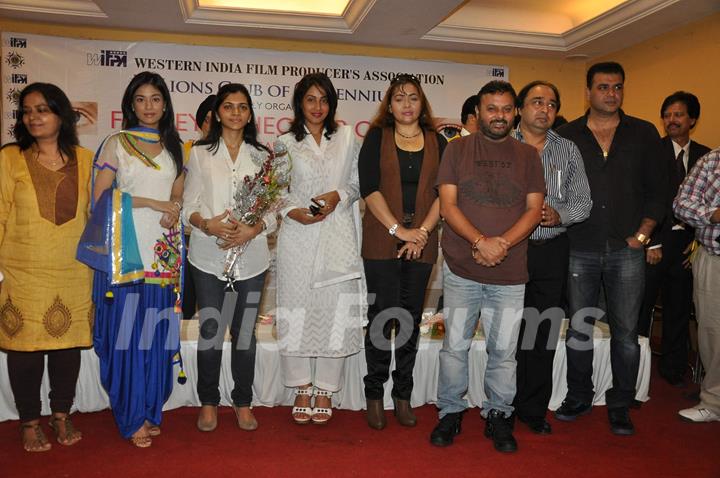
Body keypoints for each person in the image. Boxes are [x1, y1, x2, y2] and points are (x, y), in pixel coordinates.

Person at [430, 81, 544, 452]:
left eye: (506, 109)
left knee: (504, 351)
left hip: (510, 273)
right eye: (491, 108)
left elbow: (534, 210)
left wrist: (502, 245)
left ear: (515, 113)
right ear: (478, 112)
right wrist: (481, 242)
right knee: (454, 347)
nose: (499, 115)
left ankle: (499, 414)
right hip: (463, 267)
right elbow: (448, 206)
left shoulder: (529, 156)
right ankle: (450, 411)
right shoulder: (456, 150)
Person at [554, 62, 666, 435]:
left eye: (617, 87)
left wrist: (643, 236)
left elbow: (659, 191)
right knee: (580, 329)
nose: (611, 94)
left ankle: (621, 403)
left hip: (627, 249)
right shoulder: (565, 136)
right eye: (603, 87)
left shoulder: (645, 133)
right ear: (588, 92)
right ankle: (579, 396)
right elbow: (555, 191)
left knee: (625, 333)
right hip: (578, 247)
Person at [91, 71, 185, 447]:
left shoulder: (176, 146)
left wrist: (174, 208)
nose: (149, 107)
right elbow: (99, 202)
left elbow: (178, 192)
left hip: (163, 256)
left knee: (155, 336)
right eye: (141, 99)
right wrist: (150, 202)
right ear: (131, 104)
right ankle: (131, 417)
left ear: (165, 104)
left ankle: (148, 408)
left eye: (156, 99)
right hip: (126, 257)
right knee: (128, 339)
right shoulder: (117, 143)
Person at [0, 83, 93, 452]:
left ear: (61, 114)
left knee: (67, 346)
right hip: (23, 270)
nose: (34, 117)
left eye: (42, 109)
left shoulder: (86, 161)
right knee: (25, 348)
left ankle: (61, 413)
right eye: (27, 111)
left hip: (73, 269)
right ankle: (29, 420)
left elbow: (97, 215)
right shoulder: (9, 158)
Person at [183, 84, 276, 432]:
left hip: (251, 260)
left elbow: (275, 210)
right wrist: (207, 224)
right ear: (217, 113)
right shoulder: (200, 153)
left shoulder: (264, 157)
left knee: (246, 334)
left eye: (242, 107)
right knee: (210, 331)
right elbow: (188, 208)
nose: (235, 113)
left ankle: (243, 401)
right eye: (228, 106)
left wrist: (253, 230)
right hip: (208, 258)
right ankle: (208, 401)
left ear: (250, 114)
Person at [276, 73, 366, 425]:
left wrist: (337, 195)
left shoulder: (346, 137)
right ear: (300, 103)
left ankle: (326, 388)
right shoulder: (284, 142)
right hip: (298, 235)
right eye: (311, 99)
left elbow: (359, 184)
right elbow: (276, 191)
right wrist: (291, 212)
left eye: (324, 100)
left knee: (334, 308)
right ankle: (301, 385)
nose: (317, 107)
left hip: (337, 231)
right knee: (297, 305)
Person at [359, 73, 446, 430]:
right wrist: (400, 230)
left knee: (409, 318)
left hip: (423, 242)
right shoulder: (376, 138)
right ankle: (375, 393)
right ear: (389, 105)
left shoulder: (438, 141)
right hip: (382, 240)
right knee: (383, 316)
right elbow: (369, 188)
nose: (407, 104)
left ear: (421, 103)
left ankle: (403, 395)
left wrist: (421, 232)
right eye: (399, 98)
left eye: (413, 97)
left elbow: (445, 193)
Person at [511, 81, 592, 435]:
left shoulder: (568, 149)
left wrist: (560, 214)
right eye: (537, 102)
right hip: (509, 251)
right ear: (519, 108)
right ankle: (500, 405)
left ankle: (531, 409)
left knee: (540, 334)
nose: (545, 109)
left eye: (552, 104)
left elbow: (583, 201)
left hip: (550, 251)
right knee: (506, 333)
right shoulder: (500, 144)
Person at [639, 92, 711, 387]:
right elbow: (642, 198)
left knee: (679, 308)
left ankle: (673, 367)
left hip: (688, 247)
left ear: (692, 119)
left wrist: (696, 245)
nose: (672, 120)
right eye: (667, 115)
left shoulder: (706, 156)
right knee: (641, 309)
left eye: (678, 114)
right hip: (655, 244)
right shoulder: (650, 150)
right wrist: (650, 240)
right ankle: (638, 367)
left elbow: (708, 203)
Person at [673, 147, 720, 423]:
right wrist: (713, 214)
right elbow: (681, 204)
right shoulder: (712, 160)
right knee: (713, 332)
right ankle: (713, 402)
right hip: (714, 257)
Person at [181, 94, 216, 323]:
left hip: (220, 237)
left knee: (214, 307)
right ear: (200, 123)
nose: (213, 125)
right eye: (208, 119)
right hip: (188, 235)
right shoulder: (187, 150)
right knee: (186, 297)